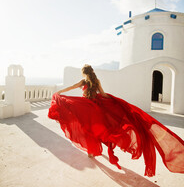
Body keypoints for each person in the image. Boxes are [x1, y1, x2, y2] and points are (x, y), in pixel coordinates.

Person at [48, 64, 184, 177]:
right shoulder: (96, 81)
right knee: (99, 128)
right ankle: (98, 147)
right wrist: (113, 100)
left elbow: (71, 87)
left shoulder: (83, 81)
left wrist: (59, 93)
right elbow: (103, 94)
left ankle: (91, 151)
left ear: (84, 73)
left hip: (86, 107)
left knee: (87, 127)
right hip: (96, 107)